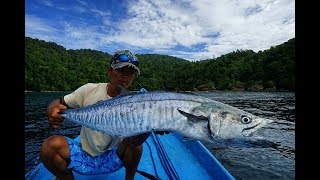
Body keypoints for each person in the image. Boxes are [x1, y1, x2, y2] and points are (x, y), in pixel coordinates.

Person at [40, 50, 167, 180]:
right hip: (83, 154)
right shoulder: (88, 90)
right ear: (110, 71)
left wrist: (154, 124)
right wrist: (52, 109)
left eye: (131, 73)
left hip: (113, 156)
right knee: (49, 146)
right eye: (121, 70)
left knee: (136, 146)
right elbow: (60, 102)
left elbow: (135, 140)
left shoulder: (136, 103)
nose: (126, 76)